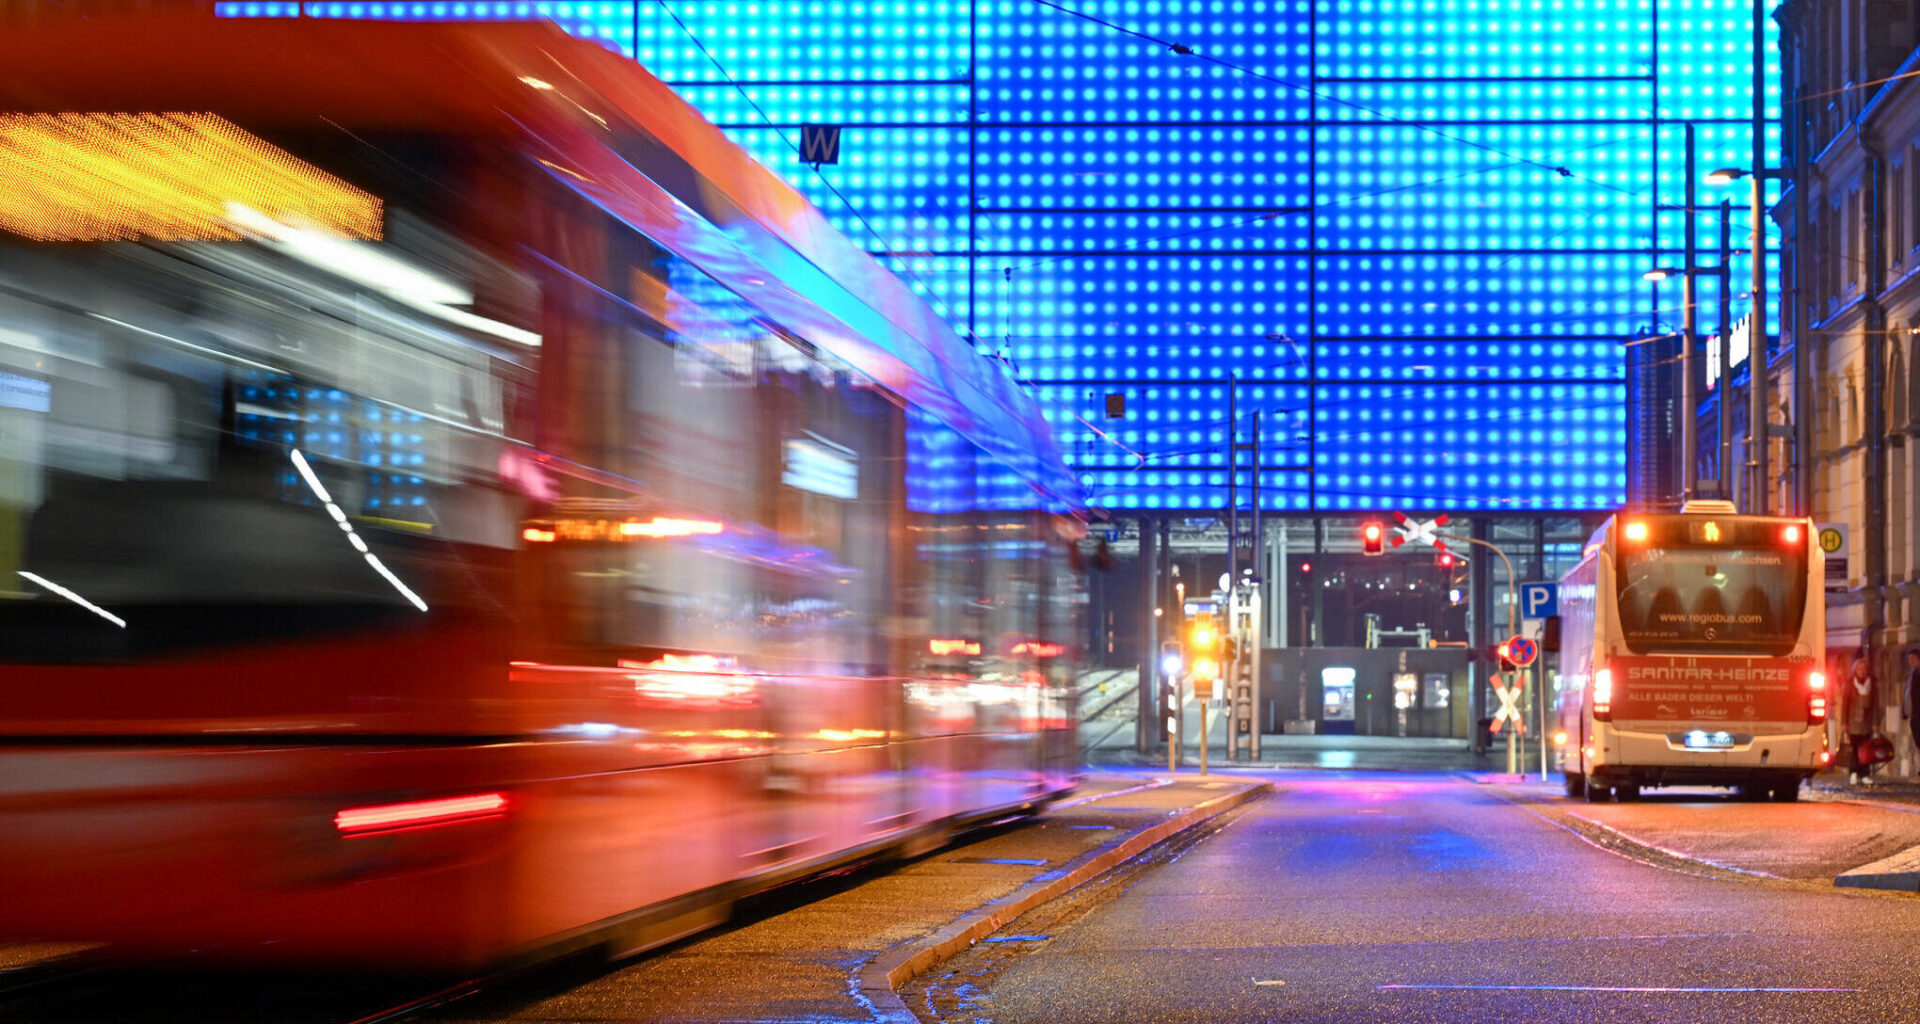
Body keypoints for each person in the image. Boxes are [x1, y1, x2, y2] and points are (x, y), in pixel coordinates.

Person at [1846, 657, 1878, 786]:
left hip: (1866, 721)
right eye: (1859, 668)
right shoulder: (1850, 684)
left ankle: (1864, 774)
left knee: (1866, 750)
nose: (1862, 671)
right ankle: (1854, 773)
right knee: (1854, 749)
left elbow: (1876, 704)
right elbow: (1845, 704)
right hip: (1853, 721)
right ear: (1855, 670)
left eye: (1864, 669)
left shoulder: (1872, 684)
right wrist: (1844, 722)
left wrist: (1875, 722)